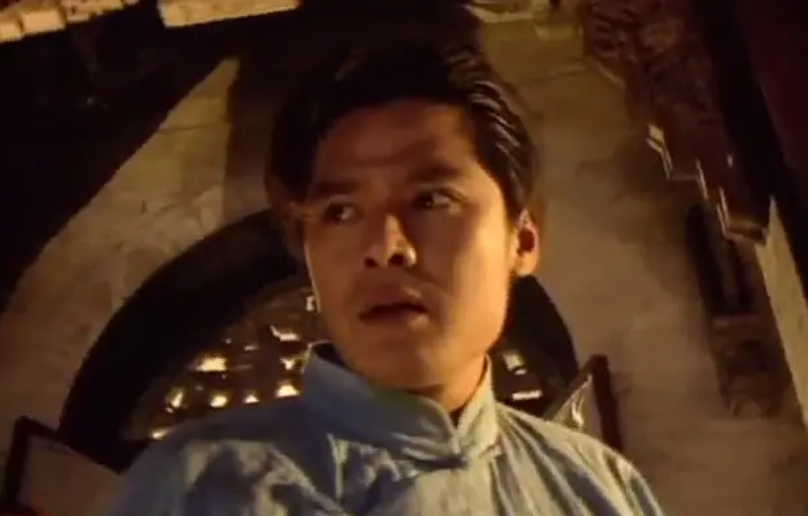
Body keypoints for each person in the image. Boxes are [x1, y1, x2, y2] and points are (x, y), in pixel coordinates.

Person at [105, 39, 666, 516]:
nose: (384, 248)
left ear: (522, 240)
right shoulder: (201, 487)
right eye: (341, 212)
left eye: (432, 200)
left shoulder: (596, 488)